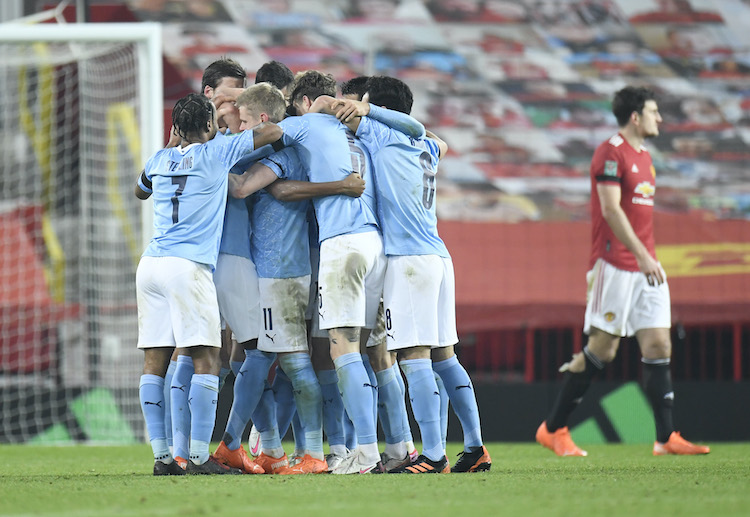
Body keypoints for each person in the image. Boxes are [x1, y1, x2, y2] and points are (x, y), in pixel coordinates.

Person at [321, 76, 491, 473]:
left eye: (362, 102)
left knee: (414, 357)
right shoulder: (426, 144)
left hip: (408, 259)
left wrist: (364, 109)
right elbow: (439, 139)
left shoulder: (379, 134)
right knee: (445, 356)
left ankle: (433, 455)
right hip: (438, 256)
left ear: (373, 106)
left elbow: (328, 107)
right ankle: (475, 446)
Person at [536, 86, 711, 457]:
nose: (659, 118)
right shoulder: (610, 153)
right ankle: (553, 429)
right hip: (613, 264)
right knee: (603, 349)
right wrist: (642, 256)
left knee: (659, 343)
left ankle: (666, 438)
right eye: (653, 111)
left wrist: (649, 258)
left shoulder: (645, 156)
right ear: (636, 116)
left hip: (646, 264)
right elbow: (611, 210)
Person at [278, 70, 424, 474]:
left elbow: (261, 135)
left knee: (342, 346)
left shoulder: (305, 124)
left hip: (342, 243)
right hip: (377, 244)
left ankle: (365, 452)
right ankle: (398, 448)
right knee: (378, 352)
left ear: (304, 102)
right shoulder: (367, 132)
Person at [135, 92, 283, 475]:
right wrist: (222, 133)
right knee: (207, 360)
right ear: (207, 127)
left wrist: (172, 144)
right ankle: (200, 457)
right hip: (187, 267)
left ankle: (163, 457)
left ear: (174, 128)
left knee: (155, 362)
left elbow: (141, 190)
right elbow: (270, 132)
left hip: (150, 265)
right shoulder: (216, 152)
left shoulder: (159, 159)